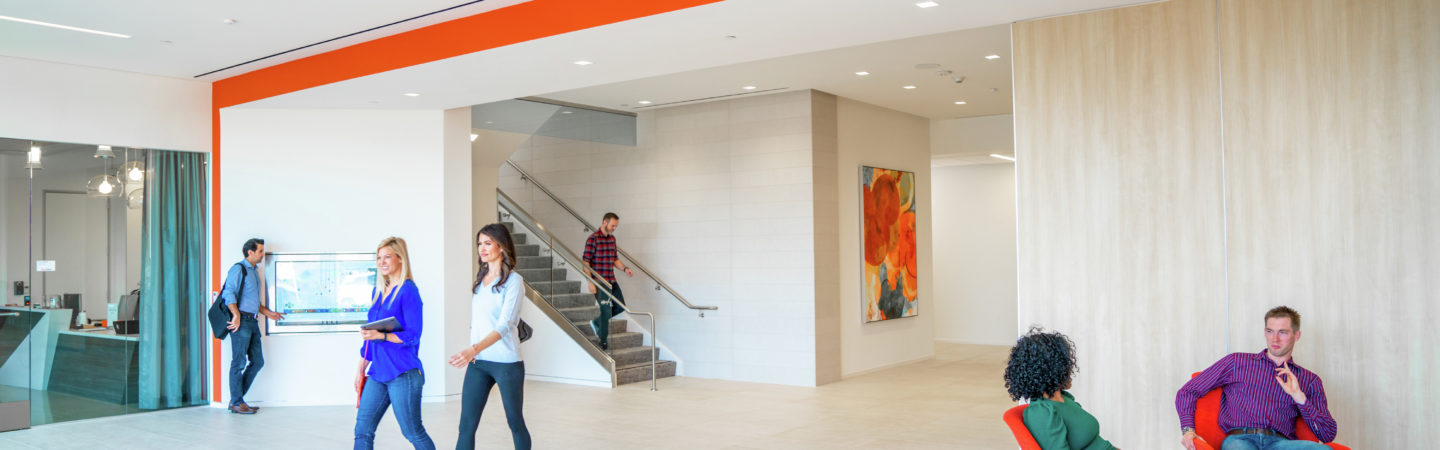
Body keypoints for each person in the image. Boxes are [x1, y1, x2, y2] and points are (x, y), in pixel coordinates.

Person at [1176, 306, 1337, 450]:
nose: (1275, 339)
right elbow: (1188, 391)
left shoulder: (1309, 380)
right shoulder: (1236, 362)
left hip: (1280, 444)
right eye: (1270, 331)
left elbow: (1327, 434)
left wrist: (1299, 397)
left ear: (1297, 335)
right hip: (1240, 440)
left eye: (1282, 332)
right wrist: (1188, 430)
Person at [450, 224, 531, 450]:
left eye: (487, 243)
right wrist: (474, 351)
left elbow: (503, 325)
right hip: (479, 363)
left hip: (507, 363)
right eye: (479, 244)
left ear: (501, 246)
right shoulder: (481, 278)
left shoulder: (514, 281)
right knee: (466, 425)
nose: (482, 249)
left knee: (515, 422)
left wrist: (472, 349)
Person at [353, 237, 435, 450]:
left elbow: (414, 335)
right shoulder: (378, 292)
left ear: (400, 258)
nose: (382, 262)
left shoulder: (408, 291)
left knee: (412, 432)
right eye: (378, 258)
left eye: (387, 256)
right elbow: (370, 337)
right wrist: (360, 368)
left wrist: (382, 336)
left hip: (403, 373)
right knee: (362, 431)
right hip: (378, 372)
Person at [1004, 327, 1119, 450]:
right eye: (1065, 365)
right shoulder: (1042, 412)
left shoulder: (1064, 398)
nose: (1070, 370)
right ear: (1051, 371)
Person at [220, 238, 285, 414]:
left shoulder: (254, 272)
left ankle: (236, 400)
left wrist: (269, 313)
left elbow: (252, 302)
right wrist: (236, 315)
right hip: (241, 322)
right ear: (250, 252)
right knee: (239, 362)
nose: (263, 255)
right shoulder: (238, 269)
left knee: (258, 362)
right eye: (260, 251)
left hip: (252, 321)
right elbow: (228, 293)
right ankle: (236, 401)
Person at [583, 212, 633, 350]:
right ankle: (603, 342)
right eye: (612, 225)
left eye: (616, 226)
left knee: (620, 306)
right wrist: (590, 282)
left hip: (611, 280)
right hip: (599, 283)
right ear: (604, 222)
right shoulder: (592, 239)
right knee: (606, 310)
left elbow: (615, 259)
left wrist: (625, 269)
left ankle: (596, 323)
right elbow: (585, 262)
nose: (614, 228)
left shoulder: (612, 239)